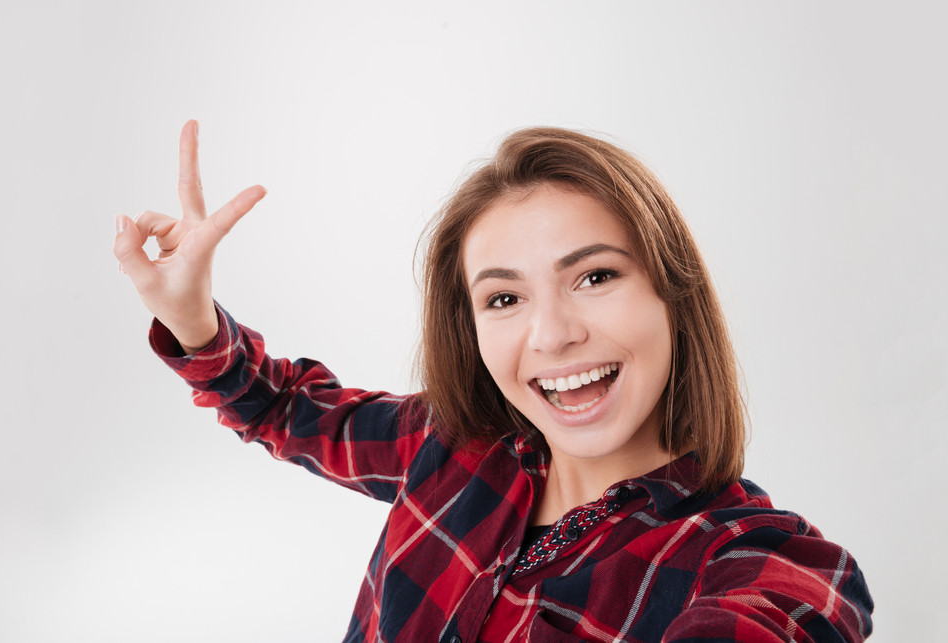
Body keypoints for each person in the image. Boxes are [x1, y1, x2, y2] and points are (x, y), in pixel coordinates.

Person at [114, 121, 874, 642]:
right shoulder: (451, 446)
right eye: (504, 298)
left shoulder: (756, 558)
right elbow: (281, 406)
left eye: (595, 275)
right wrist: (192, 320)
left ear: (672, 294)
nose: (551, 334)